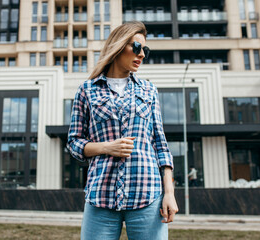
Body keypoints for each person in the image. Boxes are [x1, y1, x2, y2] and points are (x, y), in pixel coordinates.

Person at [67, 21, 178, 240]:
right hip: (101, 196)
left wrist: (169, 193)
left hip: (147, 194)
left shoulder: (149, 90)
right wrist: (107, 147)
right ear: (118, 46)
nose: (142, 55)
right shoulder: (87, 90)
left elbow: (160, 145)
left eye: (145, 50)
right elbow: (74, 143)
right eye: (137, 48)